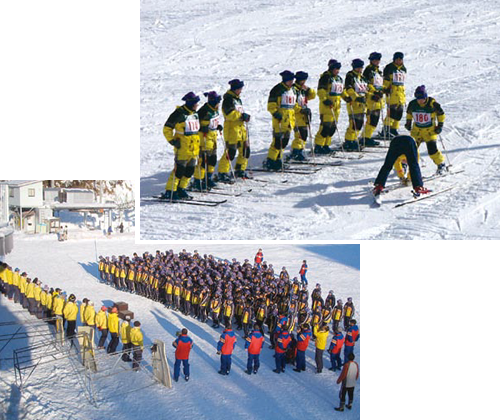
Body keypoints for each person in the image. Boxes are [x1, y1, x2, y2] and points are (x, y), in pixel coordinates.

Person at [160, 92, 201, 201]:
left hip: (194, 147)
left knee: (190, 170)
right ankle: (171, 190)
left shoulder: (194, 113)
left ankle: (181, 188)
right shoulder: (179, 113)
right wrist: (172, 141)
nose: (197, 105)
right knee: (179, 170)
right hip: (182, 146)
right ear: (191, 103)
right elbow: (167, 128)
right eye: (196, 103)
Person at [405, 85, 447, 174]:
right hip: (417, 131)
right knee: (410, 149)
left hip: (430, 131)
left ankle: (441, 164)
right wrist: (408, 122)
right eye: (418, 98)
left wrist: (440, 126)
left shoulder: (432, 104)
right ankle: (404, 164)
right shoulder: (413, 104)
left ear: (426, 96)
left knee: (432, 150)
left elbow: (441, 115)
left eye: (422, 98)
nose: (420, 101)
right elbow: (409, 113)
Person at [265, 70, 300, 170]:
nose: (291, 82)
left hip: (289, 121)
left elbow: (293, 105)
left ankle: (278, 159)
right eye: (289, 80)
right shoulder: (277, 89)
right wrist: (276, 113)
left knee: (284, 142)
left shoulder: (293, 90)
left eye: (292, 80)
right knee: (277, 142)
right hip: (280, 120)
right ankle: (271, 160)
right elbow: (271, 105)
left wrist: (302, 110)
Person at [218, 79, 251, 182]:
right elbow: (229, 114)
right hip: (232, 129)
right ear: (235, 89)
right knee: (230, 152)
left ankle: (240, 169)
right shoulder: (228, 99)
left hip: (241, 128)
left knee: (245, 150)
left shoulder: (237, 99)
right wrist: (241, 116)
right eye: (240, 89)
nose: (241, 91)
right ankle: (222, 172)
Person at [192, 91, 223, 190]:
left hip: (212, 139)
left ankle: (208, 178)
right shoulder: (203, 111)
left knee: (212, 160)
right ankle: (198, 181)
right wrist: (201, 128)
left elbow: (212, 121)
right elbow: (194, 125)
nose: (219, 103)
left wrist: (217, 126)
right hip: (203, 140)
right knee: (203, 162)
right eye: (218, 101)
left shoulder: (214, 110)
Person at [314, 59, 344, 154]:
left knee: (332, 128)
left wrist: (347, 97)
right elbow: (321, 91)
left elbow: (341, 91)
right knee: (325, 127)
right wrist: (325, 99)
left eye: (338, 69)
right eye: (336, 69)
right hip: (327, 107)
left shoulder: (338, 79)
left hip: (336, 106)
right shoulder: (326, 77)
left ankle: (326, 145)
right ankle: (319, 145)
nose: (337, 71)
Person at [343, 59, 368, 151]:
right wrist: (355, 97)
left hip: (362, 103)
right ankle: (349, 141)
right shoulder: (350, 76)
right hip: (353, 103)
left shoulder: (362, 77)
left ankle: (353, 139)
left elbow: (367, 89)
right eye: (357, 68)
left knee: (359, 123)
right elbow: (348, 88)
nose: (359, 69)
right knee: (354, 123)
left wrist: (373, 95)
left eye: (361, 68)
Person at [290, 71, 316, 161]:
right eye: (302, 80)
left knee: (304, 135)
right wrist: (301, 110)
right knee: (300, 135)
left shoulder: (302, 90)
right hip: (296, 116)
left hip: (303, 116)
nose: (304, 82)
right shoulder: (293, 90)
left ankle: (299, 151)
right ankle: (296, 152)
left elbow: (312, 96)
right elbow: (292, 104)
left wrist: (308, 89)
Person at [380, 52, 407, 138]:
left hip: (400, 95)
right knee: (392, 113)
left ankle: (393, 129)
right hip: (392, 94)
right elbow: (385, 81)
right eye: (397, 59)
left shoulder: (403, 69)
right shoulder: (389, 68)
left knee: (399, 113)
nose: (399, 61)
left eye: (400, 59)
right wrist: (385, 89)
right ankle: (386, 129)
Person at [360, 52, 384, 146]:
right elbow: (366, 84)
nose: (377, 62)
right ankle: (365, 137)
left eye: (378, 60)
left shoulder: (378, 71)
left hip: (378, 97)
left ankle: (367, 136)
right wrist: (373, 92)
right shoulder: (368, 70)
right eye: (375, 60)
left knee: (375, 119)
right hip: (371, 98)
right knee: (372, 118)